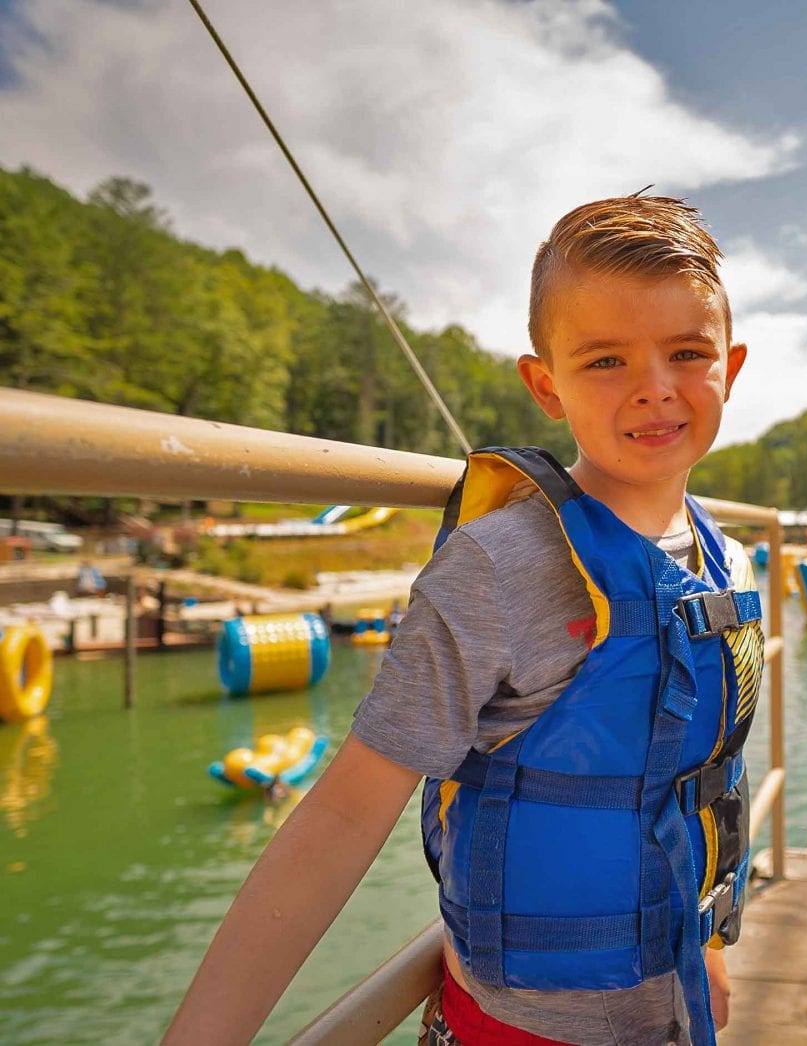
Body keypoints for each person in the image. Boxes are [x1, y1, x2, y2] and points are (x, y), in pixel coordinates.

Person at [166, 195, 763, 1046]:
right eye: (604, 361)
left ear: (730, 367)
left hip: (678, 1010)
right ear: (544, 384)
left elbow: (702, 782)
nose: (654, 389)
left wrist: (705, 942)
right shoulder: (500, 570)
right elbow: (343, 815)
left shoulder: (729, 562)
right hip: (517, 1028)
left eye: (687, 352)